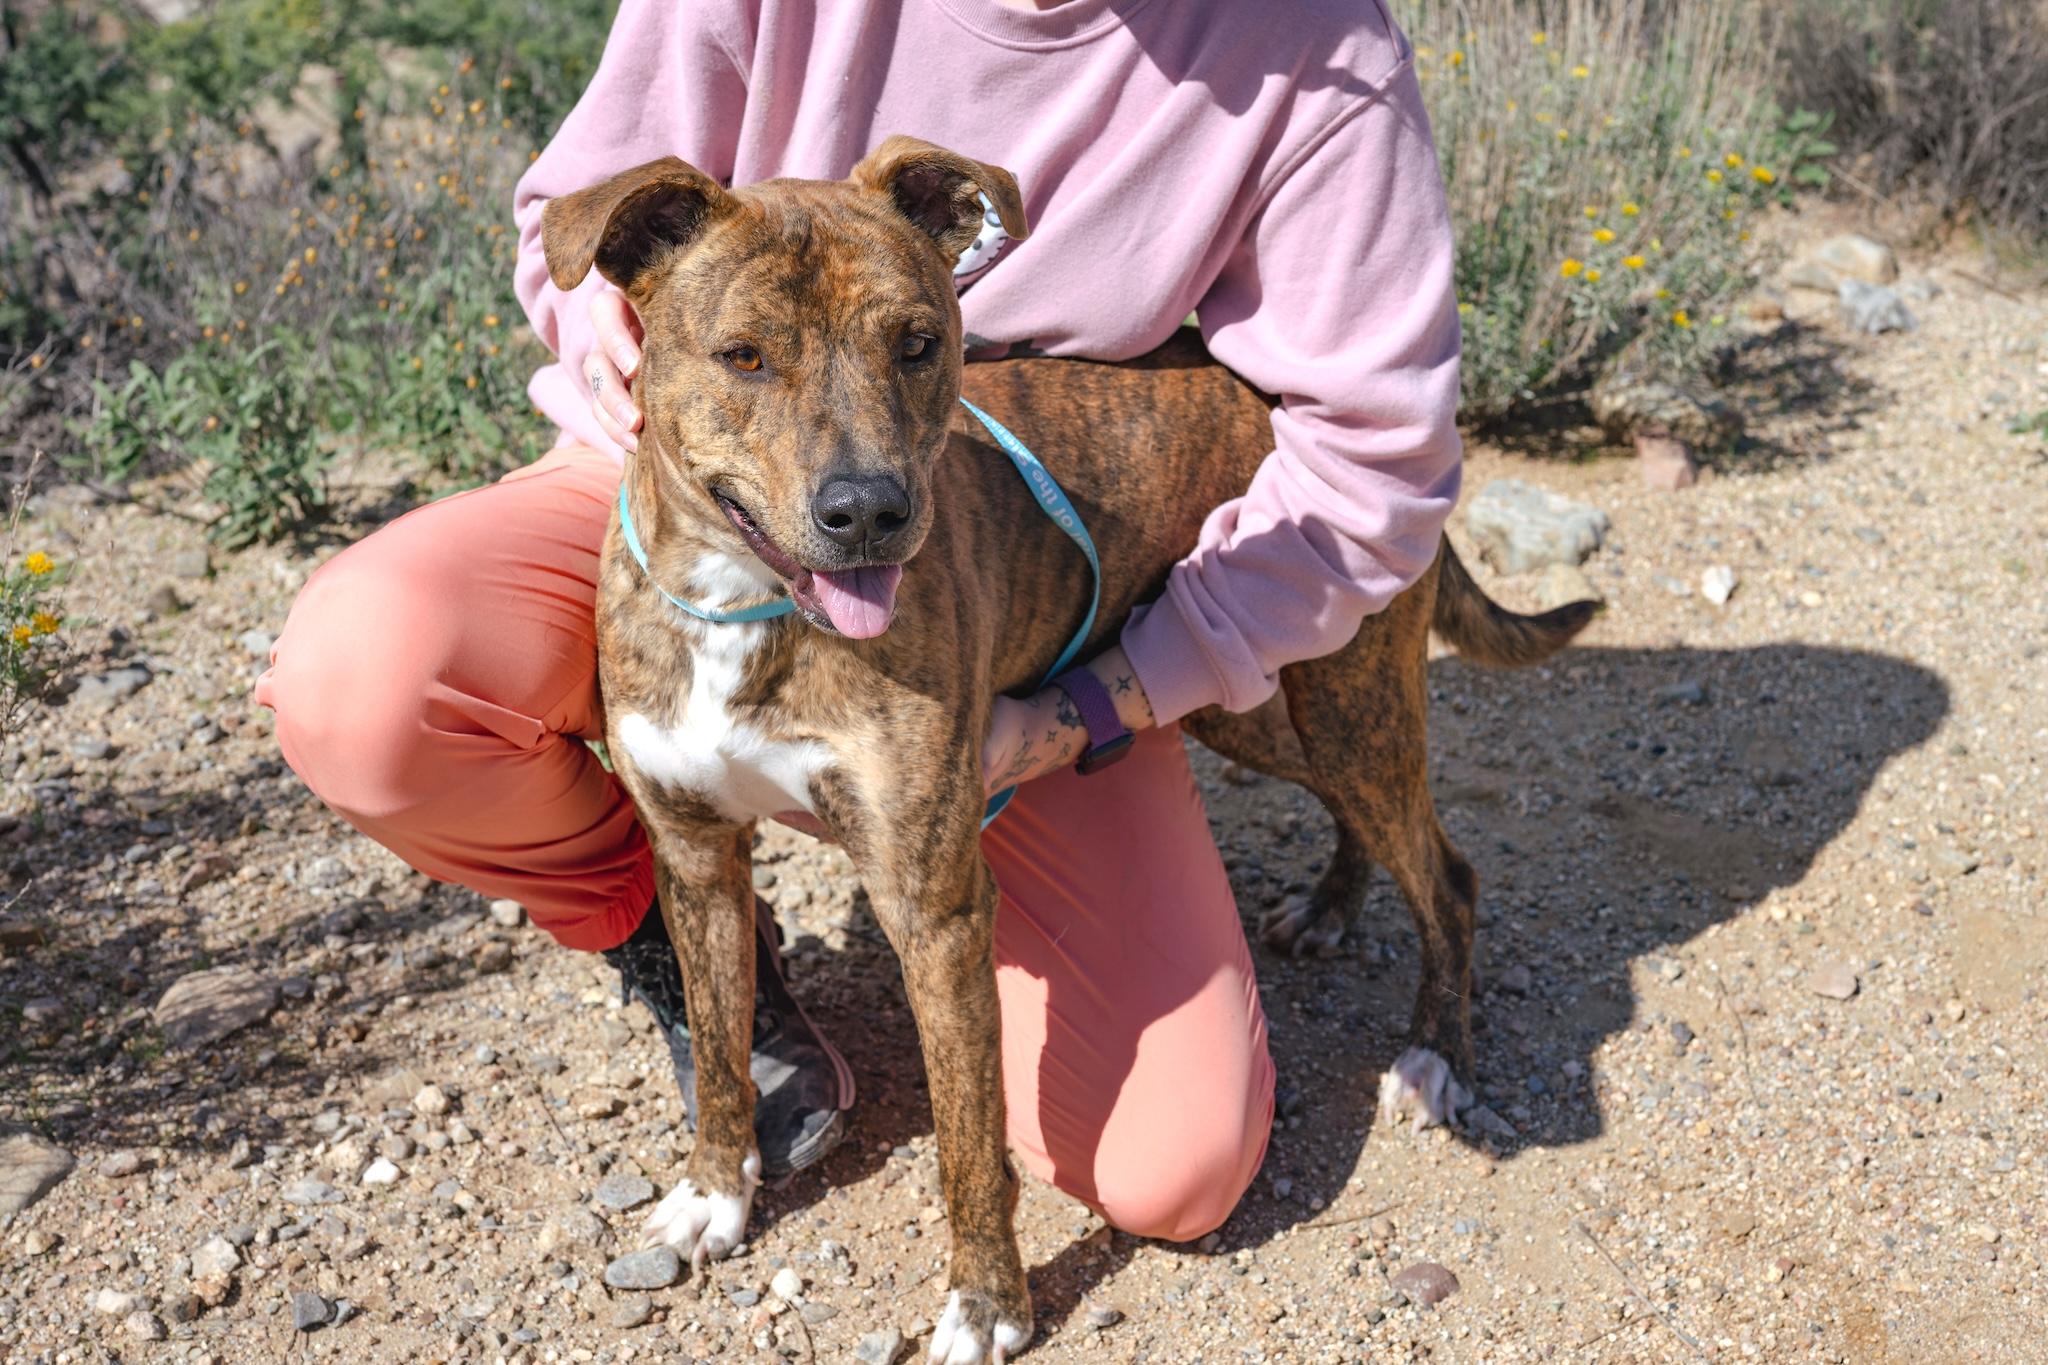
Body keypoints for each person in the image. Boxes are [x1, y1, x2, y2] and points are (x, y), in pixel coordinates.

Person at [257, 0, 1461, 1243]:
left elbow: (1372, 459)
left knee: (1177, 1168)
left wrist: (1119, 694)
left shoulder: (1313, 42)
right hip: (679, 489)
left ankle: (1412, 940)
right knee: (365, 673)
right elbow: (567, 217)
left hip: (995, 535)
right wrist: (616, 351)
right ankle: (684, 971)